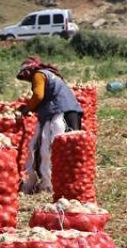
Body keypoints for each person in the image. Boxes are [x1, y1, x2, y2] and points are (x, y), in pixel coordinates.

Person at [15, 55, 83, 194]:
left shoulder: (39, 75)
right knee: (69, 149)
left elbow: (38, 95)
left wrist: (27, 109)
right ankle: (69, 182)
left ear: (29, 71)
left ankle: (49, 184)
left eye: (26, 76)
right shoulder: (51, 75)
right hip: (71, 111)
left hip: (60, 113)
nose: (27, 80)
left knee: (49, 148)